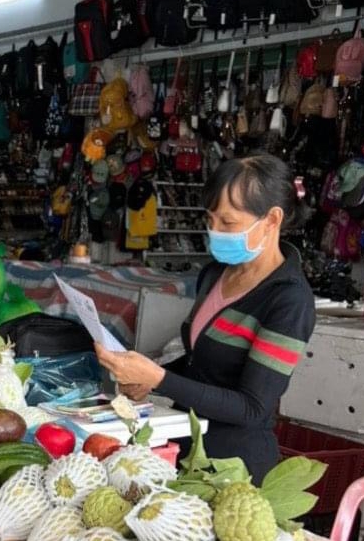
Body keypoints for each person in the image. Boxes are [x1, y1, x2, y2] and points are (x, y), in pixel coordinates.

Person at [94, 155, 316, 482]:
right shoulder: (214, 275)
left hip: (234, 467)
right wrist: (145, 376)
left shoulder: (288, 299)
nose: (215, 231)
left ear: (272, 220)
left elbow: (252, 407)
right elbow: (202, 365)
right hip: (183, 446)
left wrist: (159, 379)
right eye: (210, 220)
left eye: (227, 223)